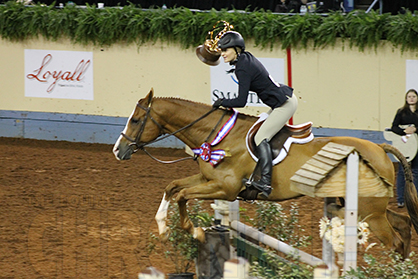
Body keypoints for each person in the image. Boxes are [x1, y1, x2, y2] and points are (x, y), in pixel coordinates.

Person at [212, 31, 298, 198]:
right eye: (222, 50)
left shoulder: (242, 67)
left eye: (225, 50)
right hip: (281, 101)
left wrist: (222, 102)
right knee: (258, 128)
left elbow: (241, 101)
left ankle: (265, 183)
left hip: (284, 105)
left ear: (237, 49)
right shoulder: (244, 58)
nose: (222, 54)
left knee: (260, 138)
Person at [391, 88, 418, 208]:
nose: (411, 98)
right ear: (406, 99)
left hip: (417, 146)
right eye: (409, 96)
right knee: (402, 172)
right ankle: (401, 199)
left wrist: (415, 129)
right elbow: (394, 127)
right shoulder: (401, 112)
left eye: (414, 96)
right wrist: (404, 131)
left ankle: (414, 199)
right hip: (405, 146)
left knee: (416, 172)